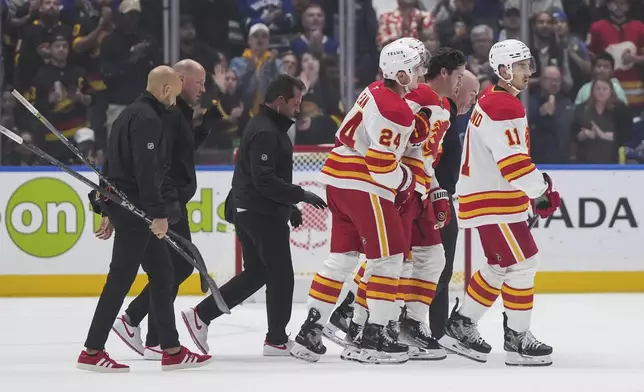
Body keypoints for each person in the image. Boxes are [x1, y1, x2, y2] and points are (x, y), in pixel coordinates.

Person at [329, 44, 467, 362]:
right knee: (392, 259)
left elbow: (423, 155)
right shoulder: (416, 98)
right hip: (400, 189)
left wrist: (435, 190)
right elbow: (394, 148)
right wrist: (404, 184)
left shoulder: (440, 104)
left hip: (416, 189)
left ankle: (404, 324)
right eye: (462, 80)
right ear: (444, 73)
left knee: (428, 259)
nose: (466, 93)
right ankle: (365, 323)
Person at [290, 41, 425, 365]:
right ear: (402, 73)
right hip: (362, 185)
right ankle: (372, 338)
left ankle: (310, 332)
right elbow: (381, 165)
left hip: (337, 179)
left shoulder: (375, 89)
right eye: (418, 67)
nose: (422, 72)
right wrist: (407, 181)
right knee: (389, 259)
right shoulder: (397, 109)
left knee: (341, 259)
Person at [77, 66, 213, 372]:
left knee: (163, 275)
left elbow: (113, 167)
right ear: (166, 90)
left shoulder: (127, 114)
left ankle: (172, 350)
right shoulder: (149, 120)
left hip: (126, 206)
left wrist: (107, 205)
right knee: (120, 280)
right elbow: (147, 172)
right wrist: (159, 214)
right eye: (175, 94)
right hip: (136, 211)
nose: (175, 100)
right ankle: (92, 350)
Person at [181, 74, 327, 357]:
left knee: (258, 273)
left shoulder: (269, 126)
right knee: (281, 276)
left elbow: (261, 179)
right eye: (295, 103)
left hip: (255, 210)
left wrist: (290, 206)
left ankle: (202, 315)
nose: (298, 109)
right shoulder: (266, 132)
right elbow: (263, 180)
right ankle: (276, 339)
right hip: (259, 214)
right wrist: (300, 195)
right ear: (280, 101)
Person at [438, 39, 561, 367]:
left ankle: (461, 325)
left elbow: (507, 162)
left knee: (500, 265)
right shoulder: (503, 105)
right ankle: (517, 338)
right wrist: (541, 190)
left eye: (527, 64)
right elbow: (513, 164)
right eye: (521, 66)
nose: (527, 72)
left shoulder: (495, 100)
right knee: (523, 263)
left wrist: (533, 192)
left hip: (491, 197)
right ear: (504, 69)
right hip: (493, 201)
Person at [430, 69, 480, 340]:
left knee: (442, 268)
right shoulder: (440, 116)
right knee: (436, 267)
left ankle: (436, 331)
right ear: (457, 88)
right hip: (433, 201)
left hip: (442, 199)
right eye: (472, 93)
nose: (474, 100)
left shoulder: (450, 119)